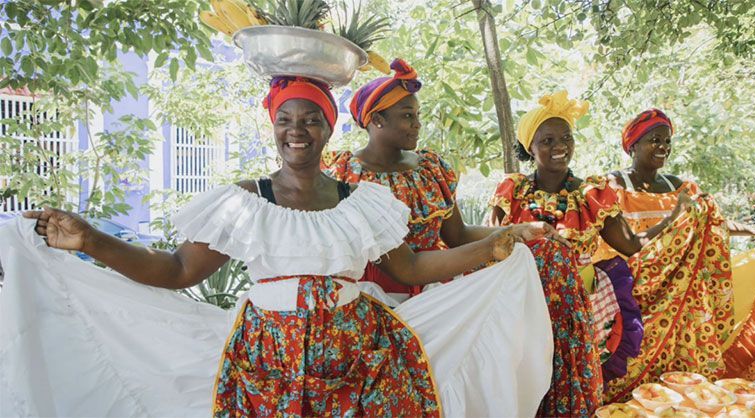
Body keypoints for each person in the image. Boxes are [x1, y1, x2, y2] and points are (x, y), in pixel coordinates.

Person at [0, 76, 554, 417]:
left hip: (362, 355)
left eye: (311, 119)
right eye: (286, 119)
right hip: (264, 358)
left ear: (328, 130)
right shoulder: (245, 201)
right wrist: (90, 239)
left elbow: (413, 264)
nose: (298, 129)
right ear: (273, 127)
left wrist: (495, 247)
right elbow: (175, 271)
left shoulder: (363, 201)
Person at [488, 91, 690, 416]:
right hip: (519, 309)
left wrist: (672, 218)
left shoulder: (590, 195)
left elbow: (629, 245)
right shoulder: (511, 192)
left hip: (574, 315)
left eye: (566, 137)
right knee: (521, 389)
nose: (560, 147)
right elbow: (491, 246)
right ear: (530, 146)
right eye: (548, 140)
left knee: (568, 392)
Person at [323, 58, 565, 304]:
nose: (417, 124)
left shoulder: (429, 169)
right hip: (372, 300)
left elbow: (457, 235)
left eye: (418, 114)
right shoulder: (347, 176)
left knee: (543, 254)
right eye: (408, 115)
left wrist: (516, 230)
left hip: (435, 292)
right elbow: (400, 266)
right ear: (377, 120)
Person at [593, 108, 755, 401]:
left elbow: (711, 224)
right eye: (654, 140)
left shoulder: (681, 188)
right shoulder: (612, 187)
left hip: (682, 292)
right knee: (630, 364)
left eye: (667, 141)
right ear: (632, 144)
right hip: (633, 289)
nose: (663, 147)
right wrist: (676, 215)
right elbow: (623, 242)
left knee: (682, 376)